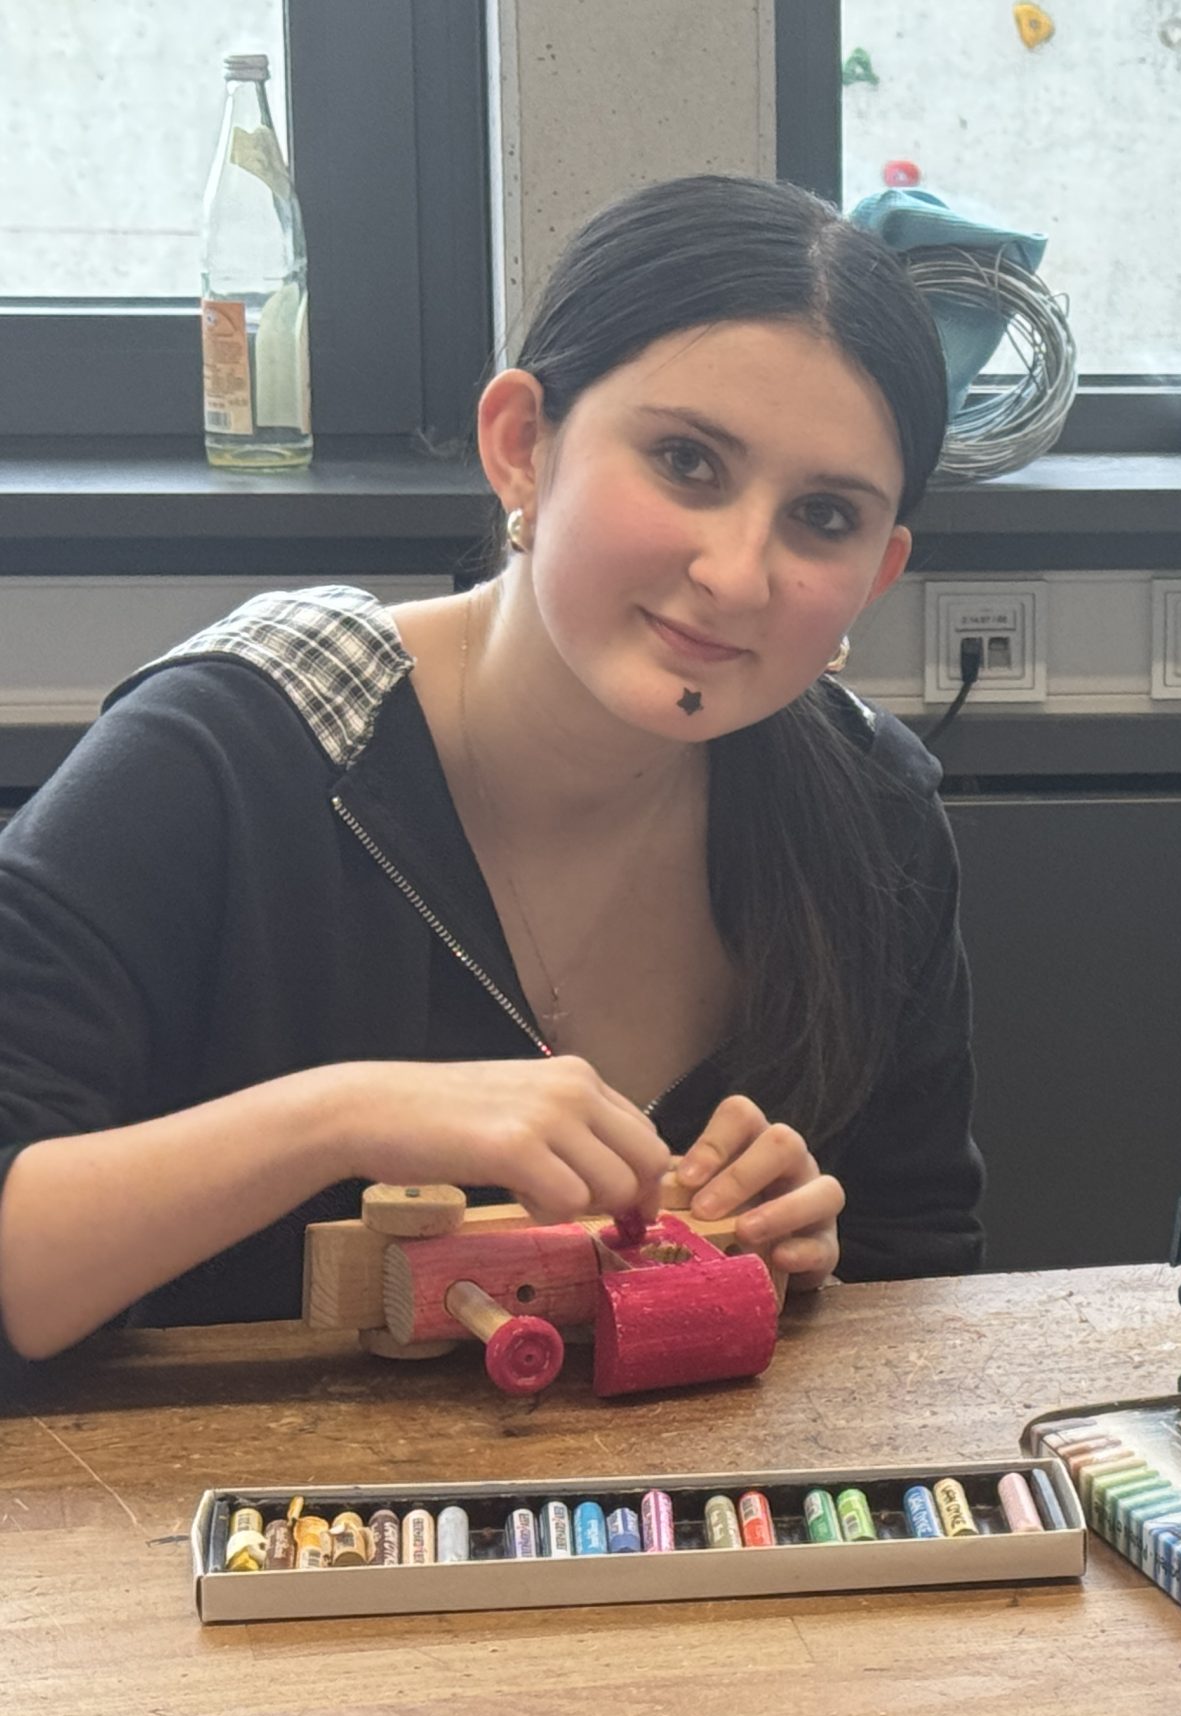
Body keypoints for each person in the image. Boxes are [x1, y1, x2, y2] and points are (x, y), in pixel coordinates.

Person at [0, 174, 982, 1366]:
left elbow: (922, 1279)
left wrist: (805, 1266)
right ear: (521, 445)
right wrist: (341, 1115)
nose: (736, 574)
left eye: (823, 518)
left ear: (878, 575)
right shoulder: (232, 745)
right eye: (686, 461)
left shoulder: (875, 813)